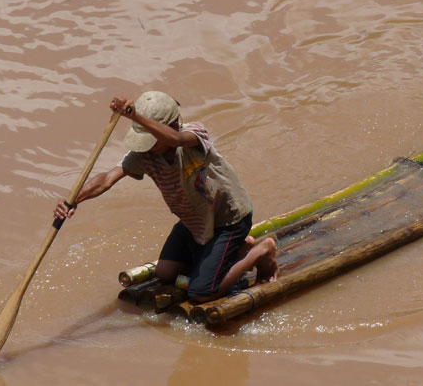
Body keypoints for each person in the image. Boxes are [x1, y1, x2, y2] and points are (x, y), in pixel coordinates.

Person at [54, 91, 278, 303]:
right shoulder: (144, 155)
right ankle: (235, 250)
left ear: (172, 124)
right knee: (165, 272)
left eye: (153, 138)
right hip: (195, 220)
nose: (149, 147)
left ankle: (260, 251)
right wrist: (73, 200)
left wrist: (137, 117)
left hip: (229, 218)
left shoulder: (194, 134)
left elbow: (176, 140)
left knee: (201, 292)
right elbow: (106, 179)